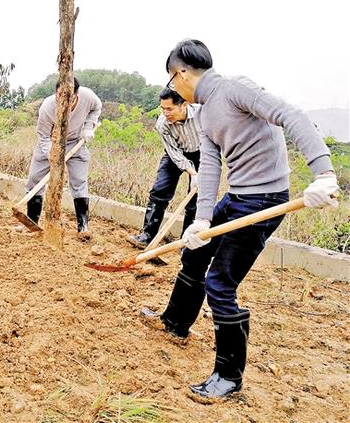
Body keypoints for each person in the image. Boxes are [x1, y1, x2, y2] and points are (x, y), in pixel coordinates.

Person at [143, 39, 338, 399]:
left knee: (220, 283)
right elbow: (213, 166)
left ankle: (229, 378)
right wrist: (201, 221)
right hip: (237, 198)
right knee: (195, 251)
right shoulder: (203, 113)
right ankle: (175, 322)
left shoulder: (236, 90)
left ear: (180, 73)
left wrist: (323, 174)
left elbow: (292, 116)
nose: (175, 87)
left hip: (264, 201)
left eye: (173, 80)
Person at [22, 77, 102, 236]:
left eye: (70, 98)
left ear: (76, 95)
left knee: (79, 181)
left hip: (75, 142)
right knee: (34, 179)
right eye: (60, 96)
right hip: (50, 142)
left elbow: (97, 107)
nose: (64, 101)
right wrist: (52, 155)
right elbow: (43, 136)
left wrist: (88, 127)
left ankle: (83, 227)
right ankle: (31, 223)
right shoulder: (47, 107)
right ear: (55, 93)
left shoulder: (88, 97)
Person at [127, 88, 200, 248]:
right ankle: (147, 236)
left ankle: (185, 242)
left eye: (169, 109)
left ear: (184, 105)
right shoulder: (162, 124)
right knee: (159, 191)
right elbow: (174, 153)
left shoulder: (202, 115)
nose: (165, 113)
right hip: (175, 153)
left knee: (196, 200)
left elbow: (214, 140)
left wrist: (202, 172)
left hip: (202, 154)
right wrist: (192, 172)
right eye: (163, 108)